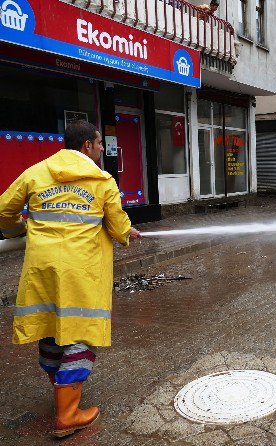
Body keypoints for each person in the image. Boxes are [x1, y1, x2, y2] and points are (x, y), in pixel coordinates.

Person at [0, 120, 141, 438]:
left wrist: (16, 232)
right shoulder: (103, 180)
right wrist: (127, 232)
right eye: (100, 143)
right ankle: (67, 413)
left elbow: (3, 211)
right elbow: (119, 228)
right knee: (81, 333)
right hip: (82, 272)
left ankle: (61, 389)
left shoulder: (35, 173)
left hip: (42, 271)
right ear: (87, 146)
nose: (103, 148)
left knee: (50, 329)